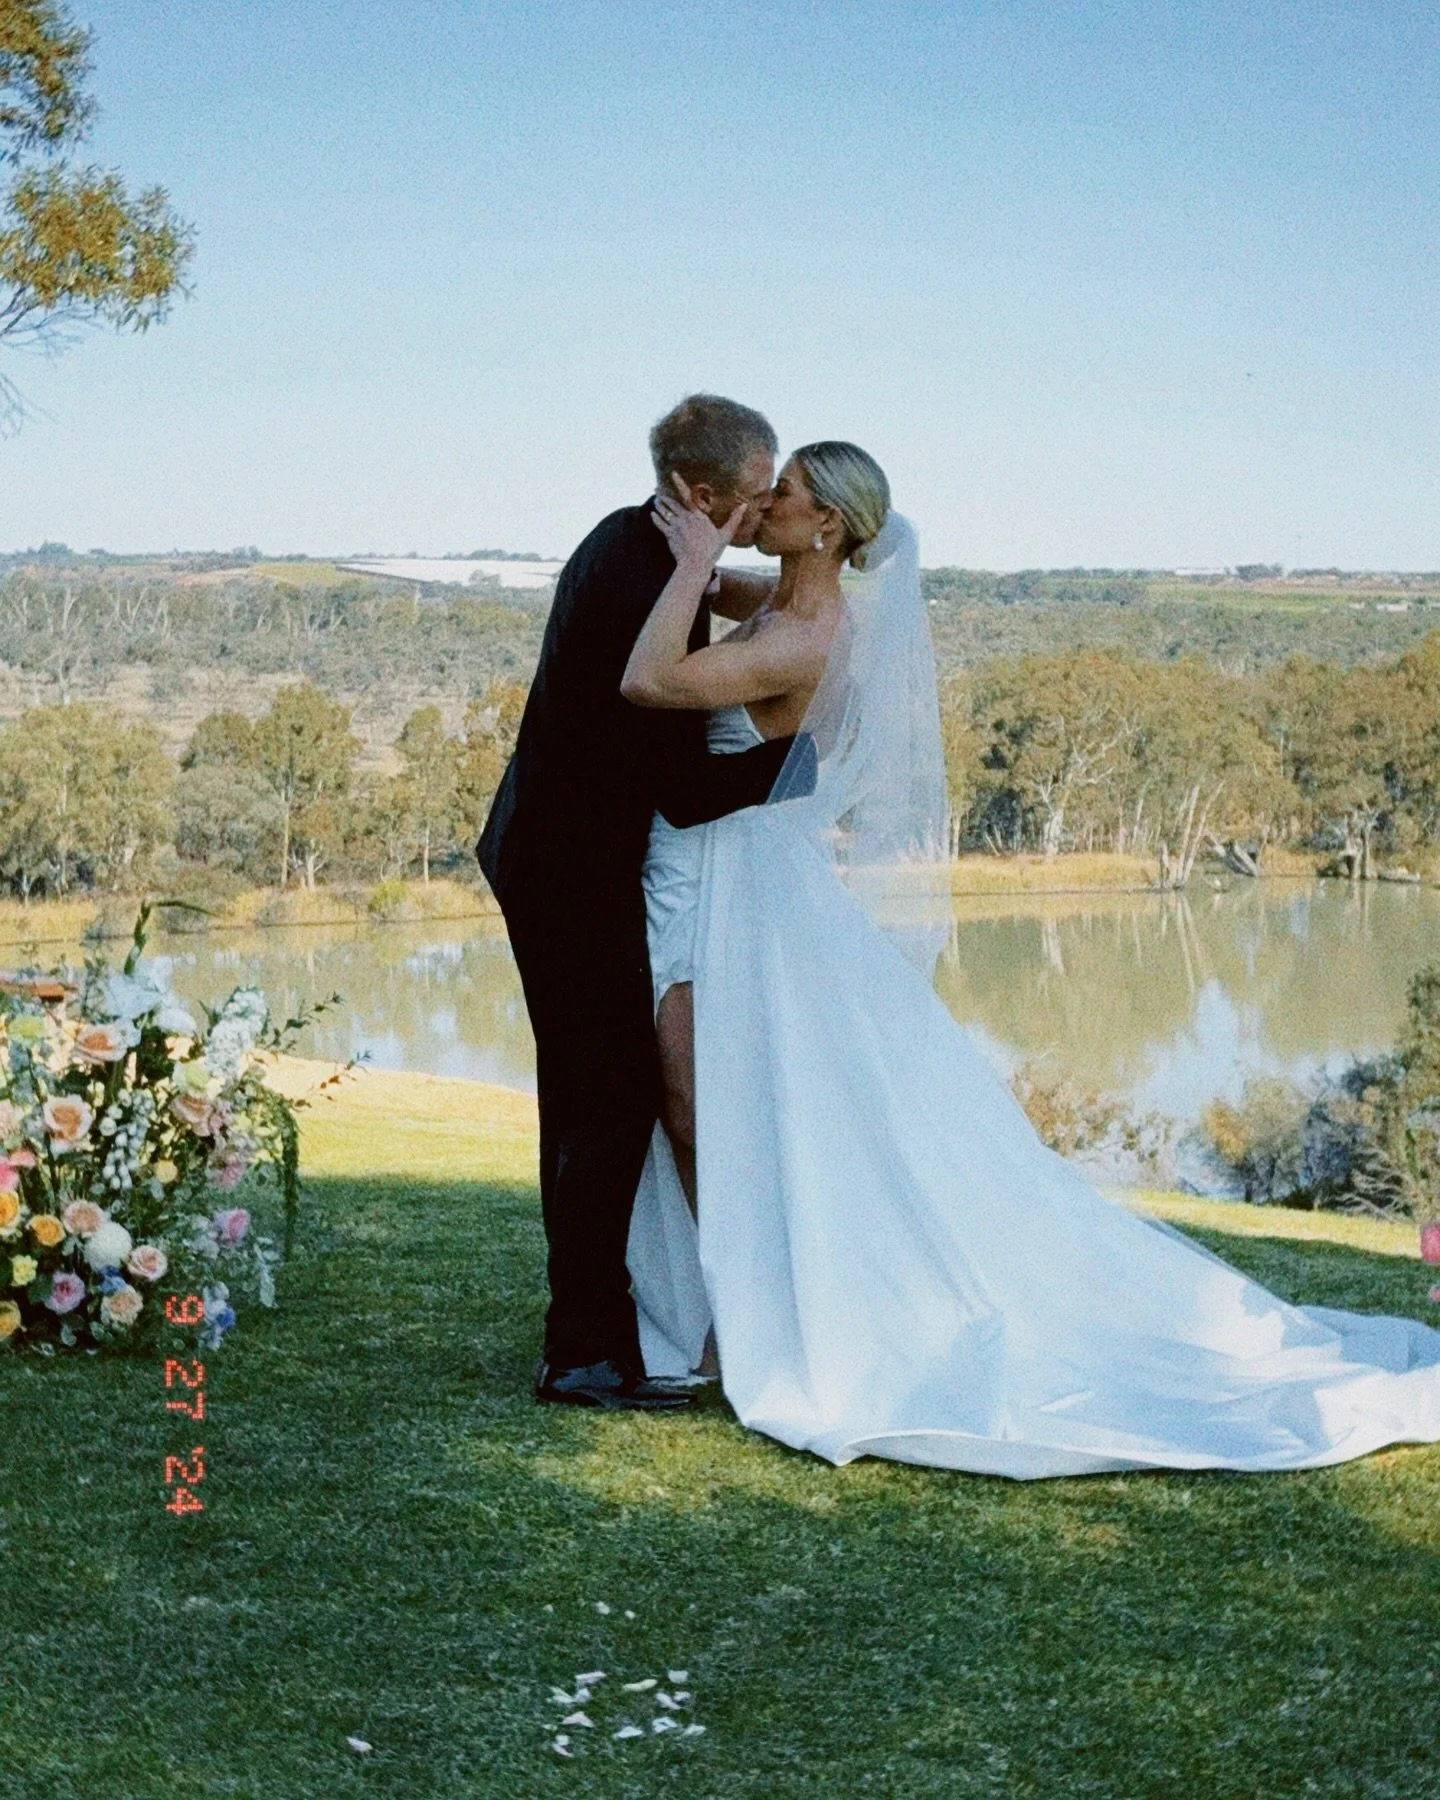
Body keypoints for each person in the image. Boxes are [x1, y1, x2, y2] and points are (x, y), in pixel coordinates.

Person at [619, 440, 1440, 1478]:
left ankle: (748, 1320)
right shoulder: (788, 600)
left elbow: (651, 677)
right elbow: (738, 589)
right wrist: (705, 558)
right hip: (730, 878)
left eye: (781, 493)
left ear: (827, 524)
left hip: (748, 886)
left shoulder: (806, 636)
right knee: (746, 1102)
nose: (763, 500)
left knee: (722, 1103)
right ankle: (734, 1310)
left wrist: (695, 557)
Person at [475, 394, 806, 1412]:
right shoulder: (649, 578)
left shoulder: (642, 545)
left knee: (592, 1099)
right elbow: (686, 790)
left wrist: (787, 585)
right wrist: (811, 764)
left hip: (565, 858)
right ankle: (581, 1352)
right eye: (754, 495)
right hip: (567, 871)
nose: (763, 508)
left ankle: (589, 1336)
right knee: (607, 1102)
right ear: (698, 496)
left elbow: (741, 590)